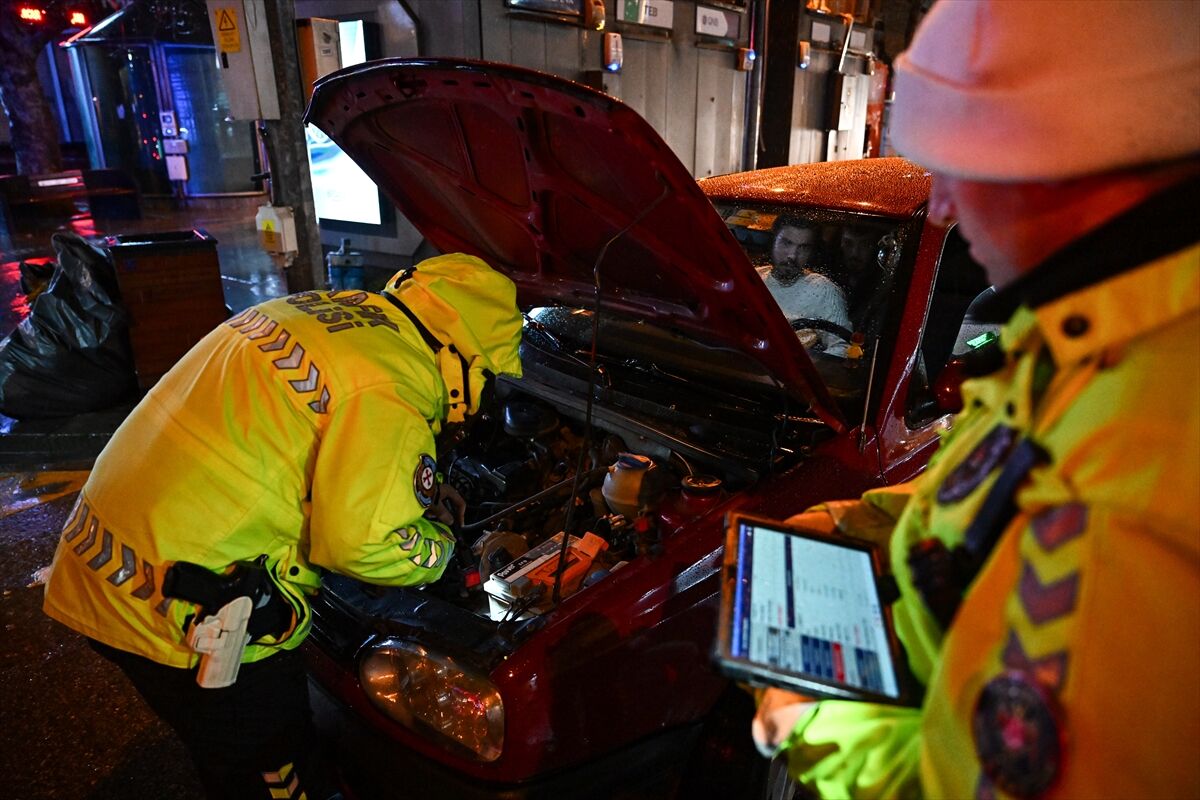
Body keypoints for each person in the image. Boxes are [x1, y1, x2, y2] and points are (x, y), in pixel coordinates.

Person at [753, 1, 1199, 798]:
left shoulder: (1127, 505)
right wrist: (857, 526)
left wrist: (807, 715)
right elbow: (988, 482)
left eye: (960, 165)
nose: (945, 207)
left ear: (1068, 157)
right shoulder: (1090, 334)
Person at [42, 253, 524, 799]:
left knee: (224, 754)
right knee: (275, 769)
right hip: (181, 607)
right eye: (488, 375)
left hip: (106, 554)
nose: (483, 397)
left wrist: (419, 488)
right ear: (465, 353)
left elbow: (295, 434)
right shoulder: (390, 383)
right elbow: (363, 545)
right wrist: (440, 550)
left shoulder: (322, 312)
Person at [765, 220, 853, 354]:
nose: (792, 255)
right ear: (773, 241)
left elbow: (843, 348)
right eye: (786, 243)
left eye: (803, 247)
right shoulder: (751, 277)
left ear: (812, 251)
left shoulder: (824, 290)